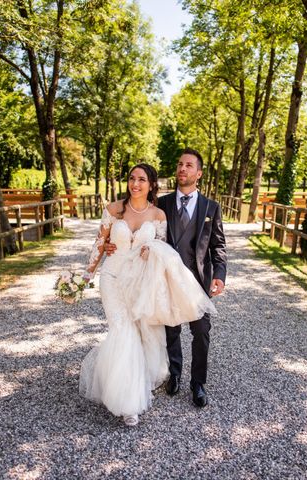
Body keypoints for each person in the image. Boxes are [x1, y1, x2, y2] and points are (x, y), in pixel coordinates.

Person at [79, 163, 216, 426]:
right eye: (132, 178)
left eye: (142, 179)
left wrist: (149, 249)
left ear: (151, 184)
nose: (135, 184)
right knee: (122, 331)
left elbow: (163, 248)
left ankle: (126, 386)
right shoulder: (114, 210)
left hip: (140, 281)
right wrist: (85, 276)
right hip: (112, 278)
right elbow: (99, 244)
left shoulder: (158, 215)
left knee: (137, 333)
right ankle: (128, 403)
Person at [105, 148, 227, 408]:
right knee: (170, 329)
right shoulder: (163, 204)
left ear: (199, 173)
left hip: (198, 280)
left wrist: (219, 275)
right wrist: (112, 245)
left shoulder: (211, 208)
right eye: (180, 164)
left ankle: (198, 384)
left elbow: (218, 247)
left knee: (201, 332)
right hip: (165, 277)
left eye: (189, 165)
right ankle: (175, 374)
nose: (183, 169)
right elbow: (141, 228)